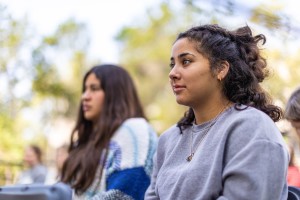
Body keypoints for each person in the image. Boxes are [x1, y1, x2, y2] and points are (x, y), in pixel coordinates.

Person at [145, 24, 288, 200]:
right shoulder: (168, 140)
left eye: (186, 61)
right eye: (172, 64)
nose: (173, 73)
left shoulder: (252, 128)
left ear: (221, 69)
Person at [61, 64, 157, 200]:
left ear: (116, 93)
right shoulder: (84, 143)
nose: (85, 97)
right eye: (85, 90)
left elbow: (125, 194)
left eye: (94, 89)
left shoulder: (134, 130)